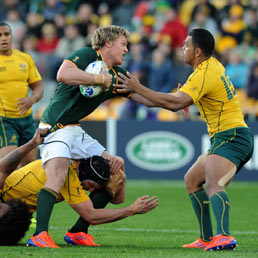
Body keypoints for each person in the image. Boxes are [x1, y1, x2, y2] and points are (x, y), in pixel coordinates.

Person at [115, 28, 254, 251]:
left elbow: (175, 102)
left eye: (186, 45)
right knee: (192, 180)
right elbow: (160, 102)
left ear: (197, 51)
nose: (182, 48)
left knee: (214, 184)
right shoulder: (208, 67)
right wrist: (127, 92)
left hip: (232, 136)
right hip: (228, 136)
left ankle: (225, 237)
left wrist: (139, 86)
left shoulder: (203, 73)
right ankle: (207, 238)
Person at [35, 25, 156, 248]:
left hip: (74, 130)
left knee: (115, 171)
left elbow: (145, 98)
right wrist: (98, 80)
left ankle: (78, 231)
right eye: (123, 44)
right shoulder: (88, 55)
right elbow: (63, 74)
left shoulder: (117, 75)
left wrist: (179, 101)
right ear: (108, 43)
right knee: (58, 175)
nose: (127, 50)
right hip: (54, 127)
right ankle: (39, 234)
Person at [0, 129, 158, 247]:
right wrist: (131, 210)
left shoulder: (73, 171)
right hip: (12, 211)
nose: (92, 190)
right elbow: (92, 216)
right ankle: (40, 235)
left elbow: (118, 199)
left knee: (113, 179)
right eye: (91, 186)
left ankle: (78, 232)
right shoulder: (66, 173)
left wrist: (120, 169)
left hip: (17, 215)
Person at [0, 22, 43, 167]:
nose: (3, 38)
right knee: (8, 166)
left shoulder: (25, 58)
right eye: (0, 35)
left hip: (26, 119)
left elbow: (38, 87)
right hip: (4, 120)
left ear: (12, 36)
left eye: (6, 34)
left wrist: (32, 99)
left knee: (30, 165)